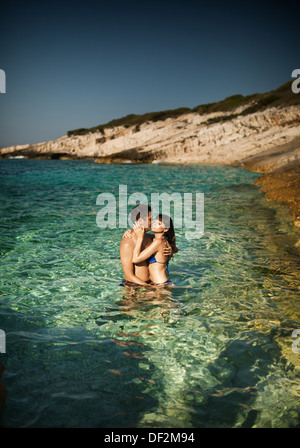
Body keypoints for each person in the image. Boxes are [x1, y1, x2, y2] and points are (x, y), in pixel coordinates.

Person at [119, 204, 173, 286]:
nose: (153, 222)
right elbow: (129, 276)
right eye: (150, 219)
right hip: (135, 287)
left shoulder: (150, 238)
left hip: (151, 285)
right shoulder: (127, 243)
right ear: (140, 221)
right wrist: (148, 287)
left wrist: (170, 251)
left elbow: (164, 241)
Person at [132, 214, 177, 286]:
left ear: (166, 229)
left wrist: (140, 239)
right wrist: (130, 231)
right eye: (154, 222)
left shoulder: (157, 242)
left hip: (160, 285)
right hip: (160, 283)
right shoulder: (164, 240)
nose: (154, 224)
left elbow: (135, 259)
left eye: (159, 223)